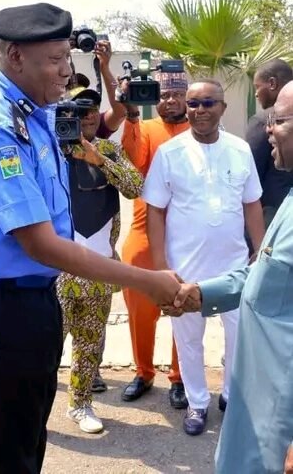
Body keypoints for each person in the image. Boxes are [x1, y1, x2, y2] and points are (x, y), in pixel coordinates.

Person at [0, 2, 181, 474]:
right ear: (14, 57)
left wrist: (111, 80)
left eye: (67, 59)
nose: (65, 72)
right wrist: (148, 281)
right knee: (10, 447)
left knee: (29, 430)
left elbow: (106, 125)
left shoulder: (35, 113)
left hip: (30, 296)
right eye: (55, 61)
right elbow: (43, 245)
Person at [171, 79, 293, 473]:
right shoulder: (290, 200)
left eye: (279, 119)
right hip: (258, 401)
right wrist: (201, 294)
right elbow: (264, 274)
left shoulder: (240, 152)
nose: (268, 129)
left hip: (279, 414)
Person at [143, 78, 264, 436]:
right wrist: (160, 266)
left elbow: (252, 203)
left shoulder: (240, 149)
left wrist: (259, 252)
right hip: (185, 270)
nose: (199, 111)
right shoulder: (170, 153)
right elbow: (155, 212)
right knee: (189, 341)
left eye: (208, 103)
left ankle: (230, 394)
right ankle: (197, 404)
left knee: (240, 336)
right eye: (193, 104)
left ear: (222, 108)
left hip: (234, 267)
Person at [58, 83, 143, 433]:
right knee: (45, 341)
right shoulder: (52, 152)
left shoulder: (109, 148)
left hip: (99, 266)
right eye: (79, 110)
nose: (88, 115)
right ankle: (29, 403)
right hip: (56, 268)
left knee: (90, 340)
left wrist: (99, 160)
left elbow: (135, 186)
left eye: (93, 109)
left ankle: (80, 404)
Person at [119, 70, 189, 408]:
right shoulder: (144, 129)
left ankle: (180, 377)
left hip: (187, 239)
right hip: (144, 236)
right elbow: (132, 162)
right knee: (140, 312)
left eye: (177, 94)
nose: (170, 100)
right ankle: (144, 372)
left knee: (184, 309)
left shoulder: (202, 132)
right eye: (163, 95)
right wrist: (131, 114)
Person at [247, 59, 293, 230]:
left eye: (257, 87)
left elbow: (250, 173)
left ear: (272, 83)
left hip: (272, 214)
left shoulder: (262, 120)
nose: (256, 94)